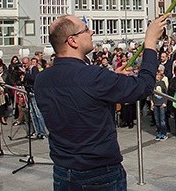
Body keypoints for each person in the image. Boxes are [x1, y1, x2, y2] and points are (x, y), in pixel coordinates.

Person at [34, 14, 168, 190]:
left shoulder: (42, 79)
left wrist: (112, 79)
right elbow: (143, 86)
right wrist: (150, 43)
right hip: (99, 174)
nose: (92, 31)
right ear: (73, 41)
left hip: (63, 171)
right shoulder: (94, 77)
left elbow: (80, 95)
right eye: (86, 29)